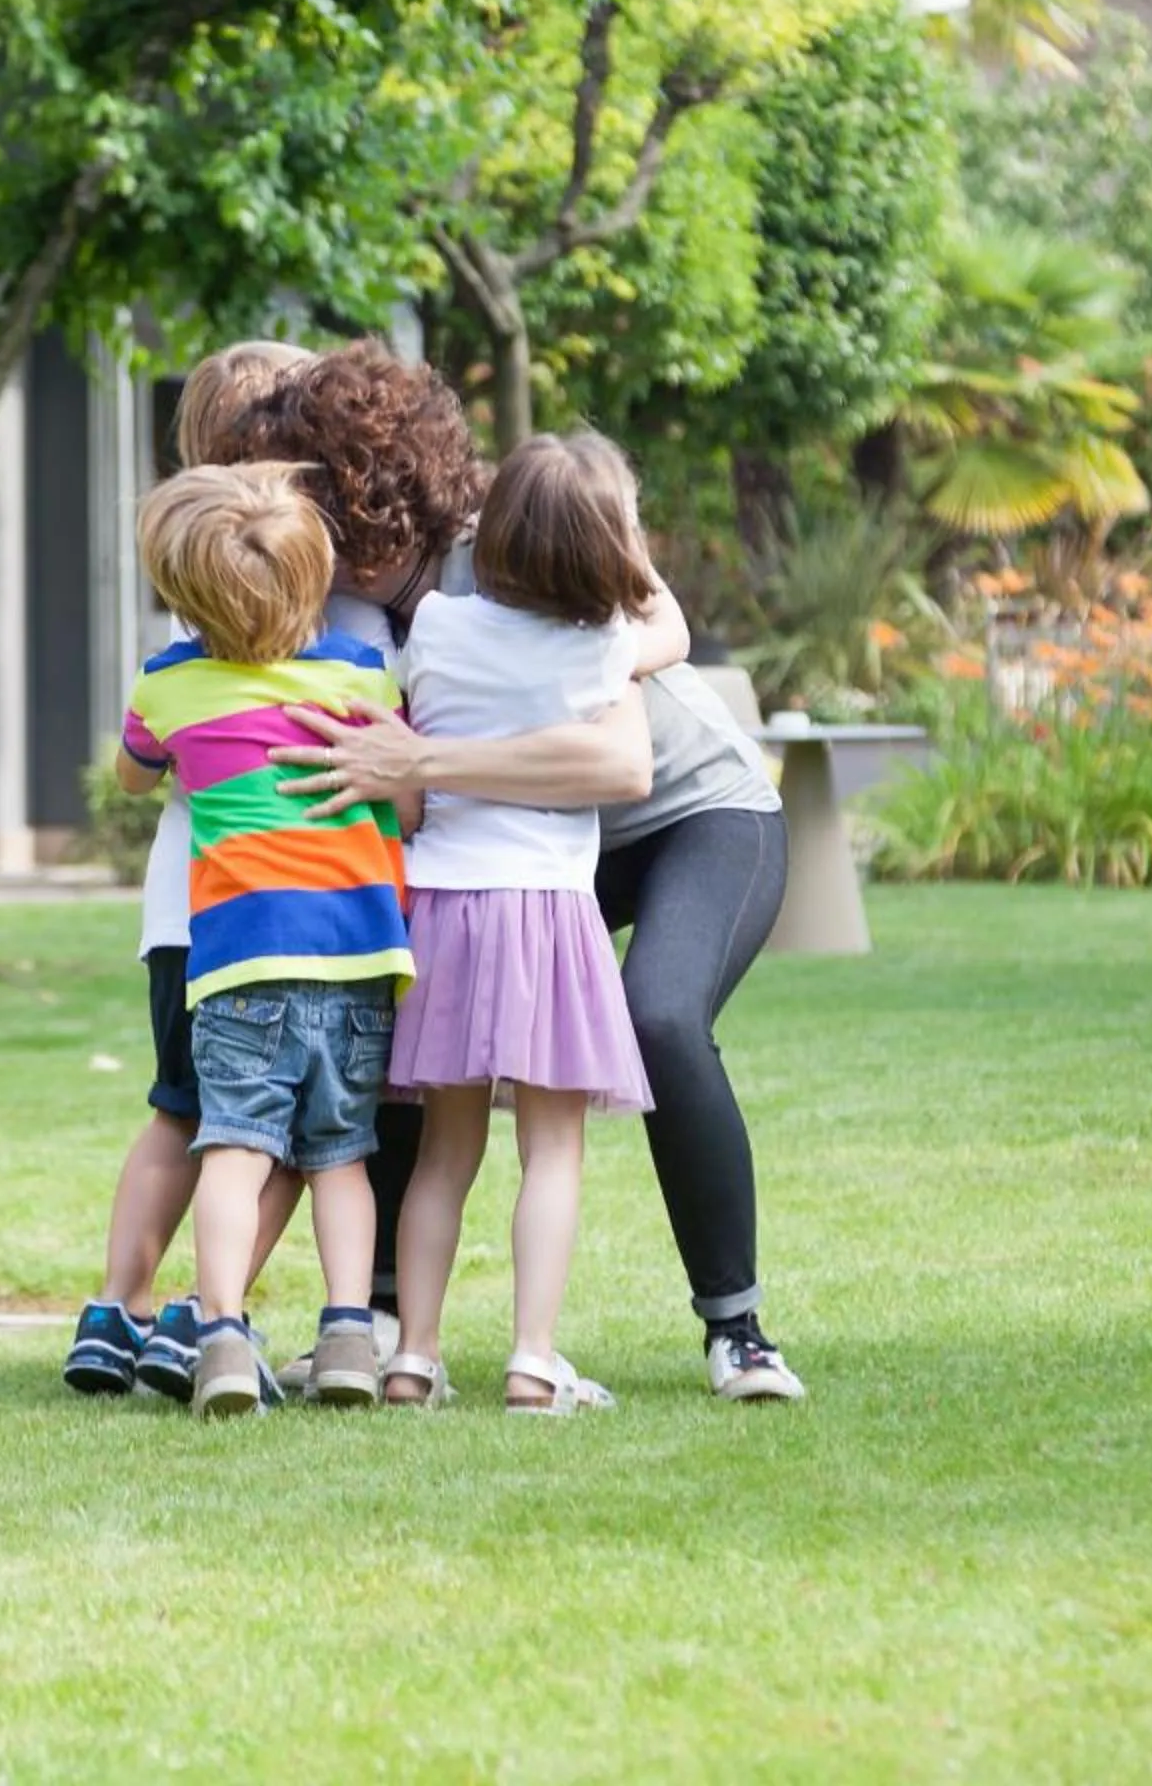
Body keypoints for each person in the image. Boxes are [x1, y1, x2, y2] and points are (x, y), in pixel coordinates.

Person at [231, 343, 808, 1402]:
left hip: (694, 817)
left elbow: (634, 720)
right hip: (532, 851)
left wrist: (452, 745)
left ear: (371, 511)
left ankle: (738, 1330)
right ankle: (395, 1324)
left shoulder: (514, 539)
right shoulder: (357, 610)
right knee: (397, 1008)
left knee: (660, 1016)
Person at [110, 461, 415, 1417]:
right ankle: (350, 1337)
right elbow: (408, 789)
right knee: (343, 1157)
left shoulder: (168, 688)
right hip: (359, 954)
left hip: (239, 959)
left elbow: (132, 776)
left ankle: (224, 1339)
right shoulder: (362, 676)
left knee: (234, 1153)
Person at [61, 340, 324, 1401]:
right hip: (275, 917)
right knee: (282, 1135)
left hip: (180, 910)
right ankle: (200, 1319)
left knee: (177, 1110)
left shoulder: (196, 577)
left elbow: (134, 773)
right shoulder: (294, 588)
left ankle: (113, 1310)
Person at [382, 434, 660, 1415]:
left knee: (442, 1154)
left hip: (444, 907)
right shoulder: (604, 648)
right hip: (547, 911)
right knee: (553, 1149)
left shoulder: (437, 625)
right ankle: (533, 1360)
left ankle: (412, 1355)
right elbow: (658, 619)